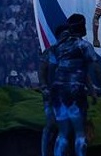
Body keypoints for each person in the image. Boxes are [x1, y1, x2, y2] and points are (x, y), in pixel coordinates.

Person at [48, 13, 99, 156]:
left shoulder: (57, 47)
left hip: (58, 91)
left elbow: (51, 70)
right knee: (80, 133)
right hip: (75, 92)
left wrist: (50, 89)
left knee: (63, 134)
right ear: (82, 27)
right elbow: (93, 69)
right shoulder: (84, 46)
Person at [40, 23, 69, 156]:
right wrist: (44, 87)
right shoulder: (50, 52)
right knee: (51, 124)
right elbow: (42, 71)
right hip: (51, 94)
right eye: (64, 35)